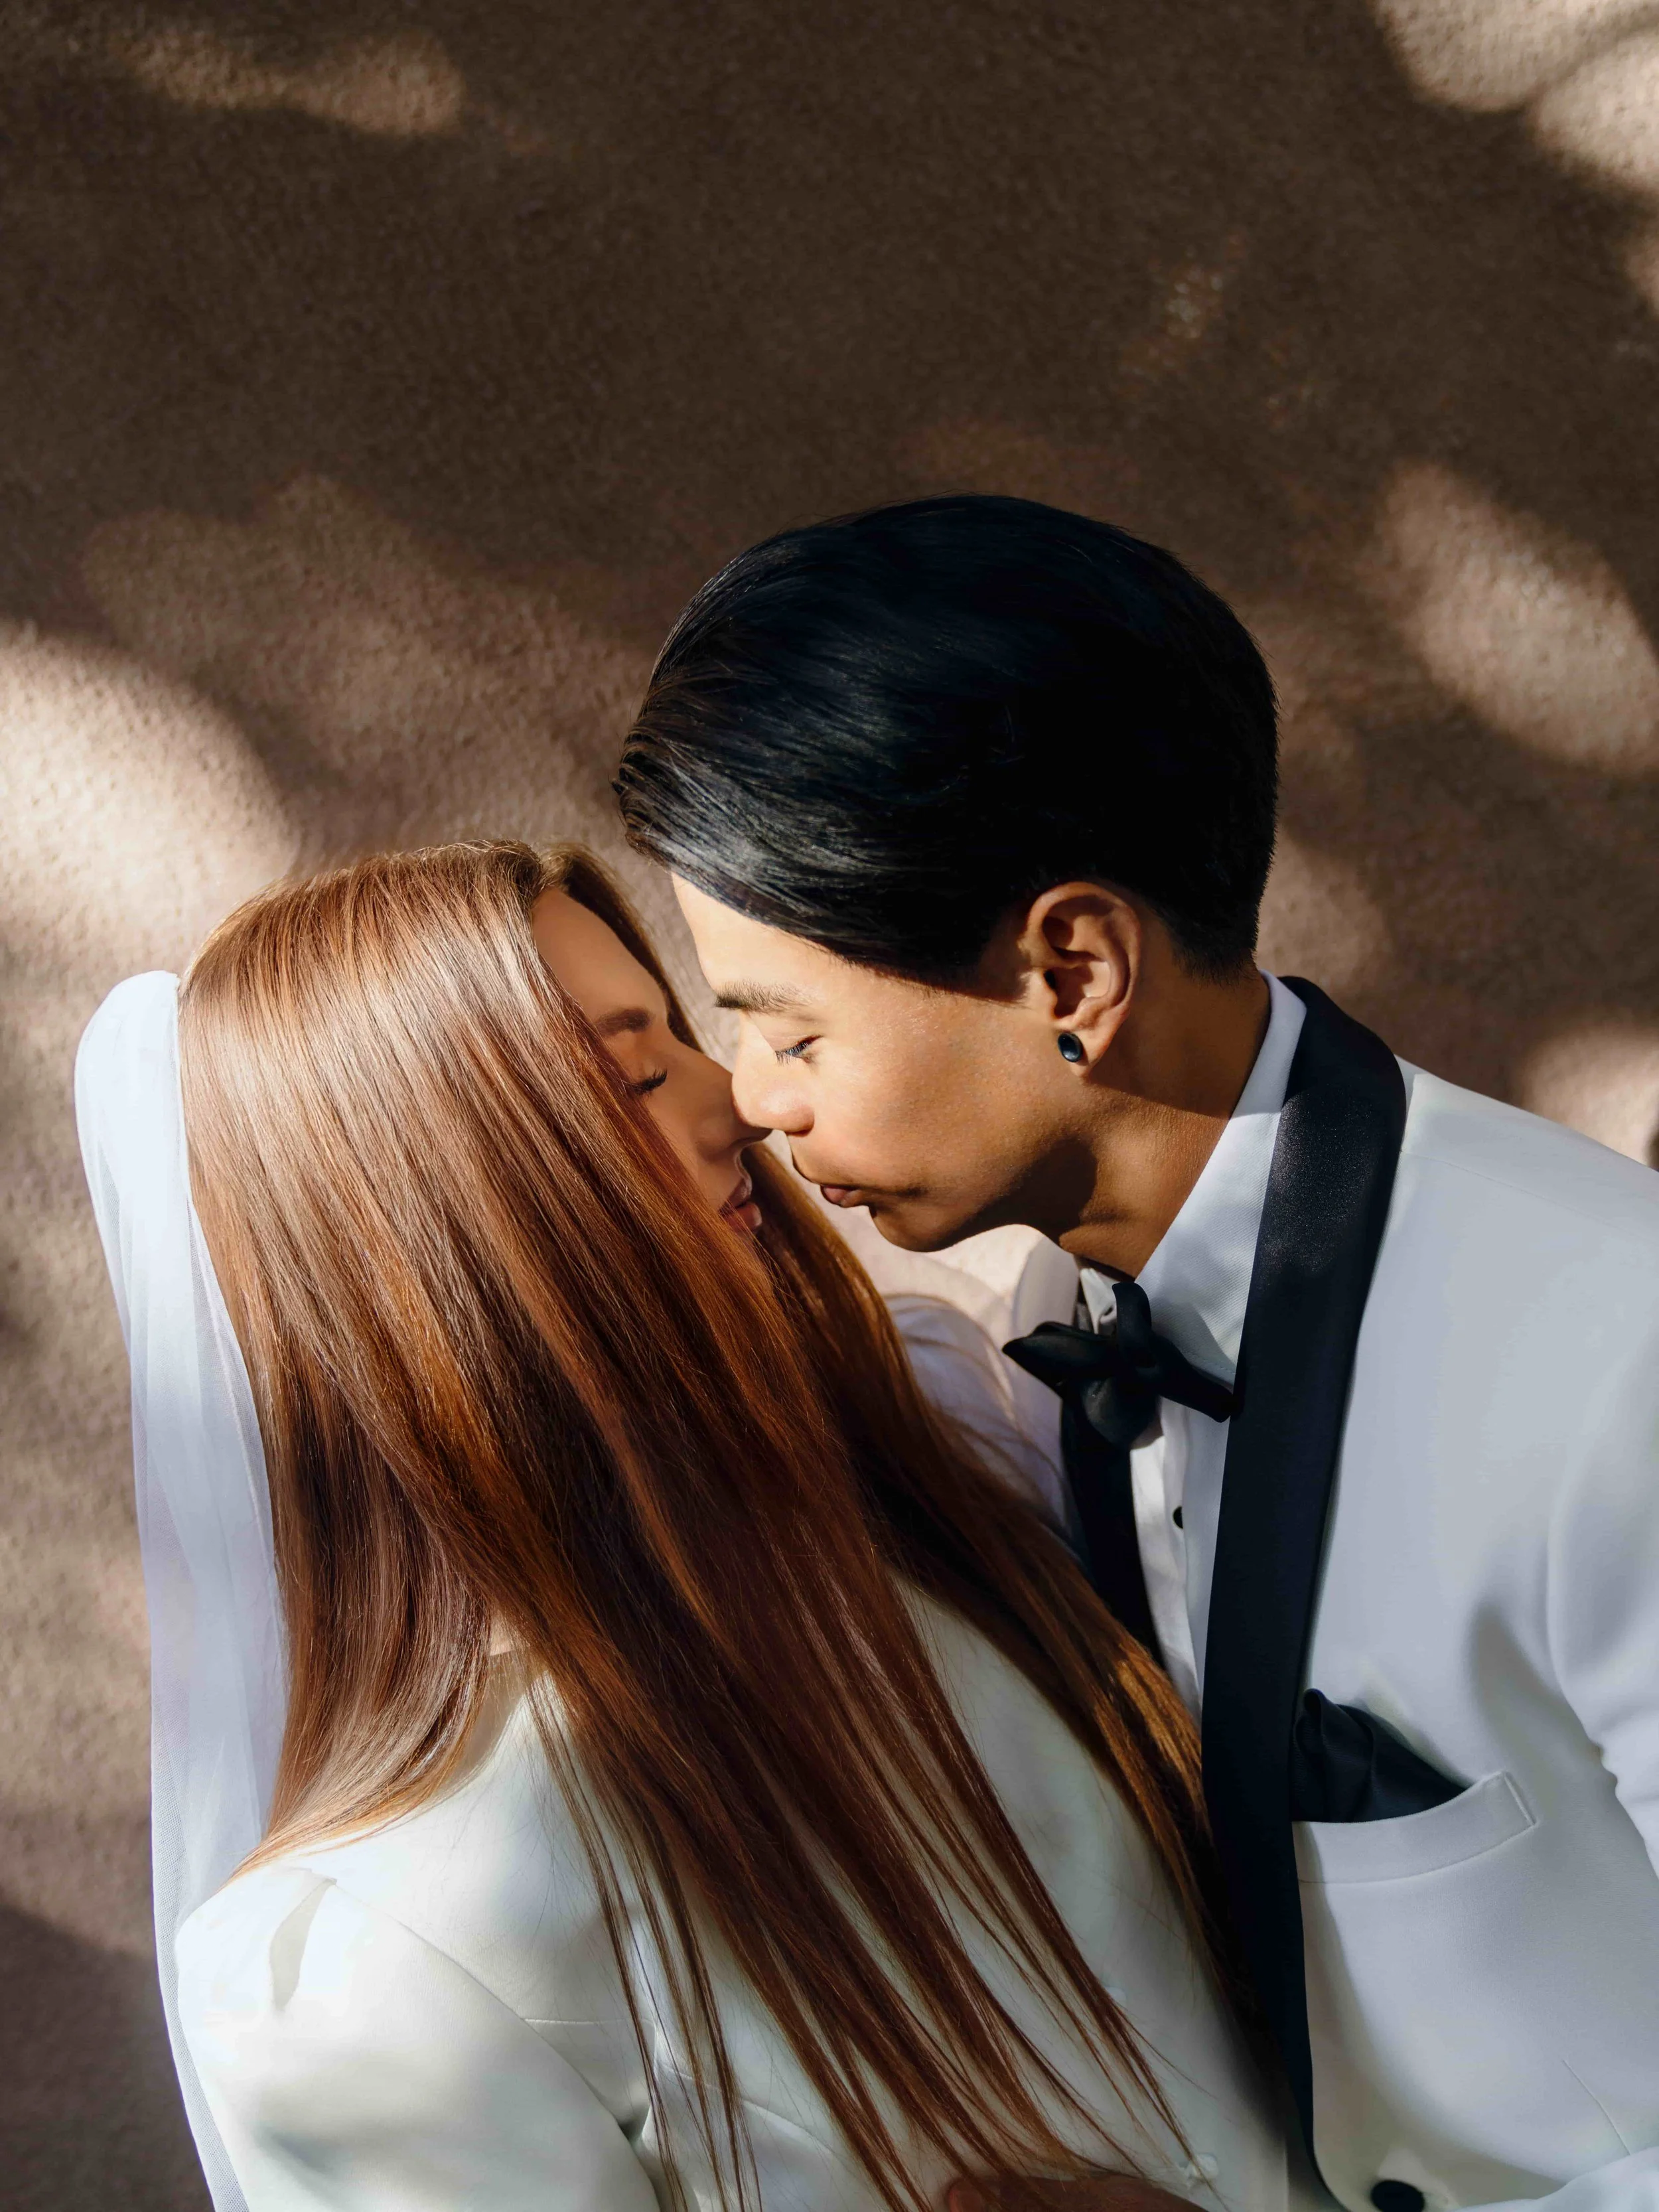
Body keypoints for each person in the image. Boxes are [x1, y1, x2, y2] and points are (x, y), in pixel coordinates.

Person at [616, 494, 1659, 2212]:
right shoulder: (1050, 1348)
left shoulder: (1606, 1357)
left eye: (789, 1024)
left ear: (1073, 970)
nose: (753, 1096)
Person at [76, 839, 1299, 2212]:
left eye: (680, 1035)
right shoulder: (370, 1968)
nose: (740, 1100)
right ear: (454, 1211)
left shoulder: (953, 1478)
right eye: (638, 1072)